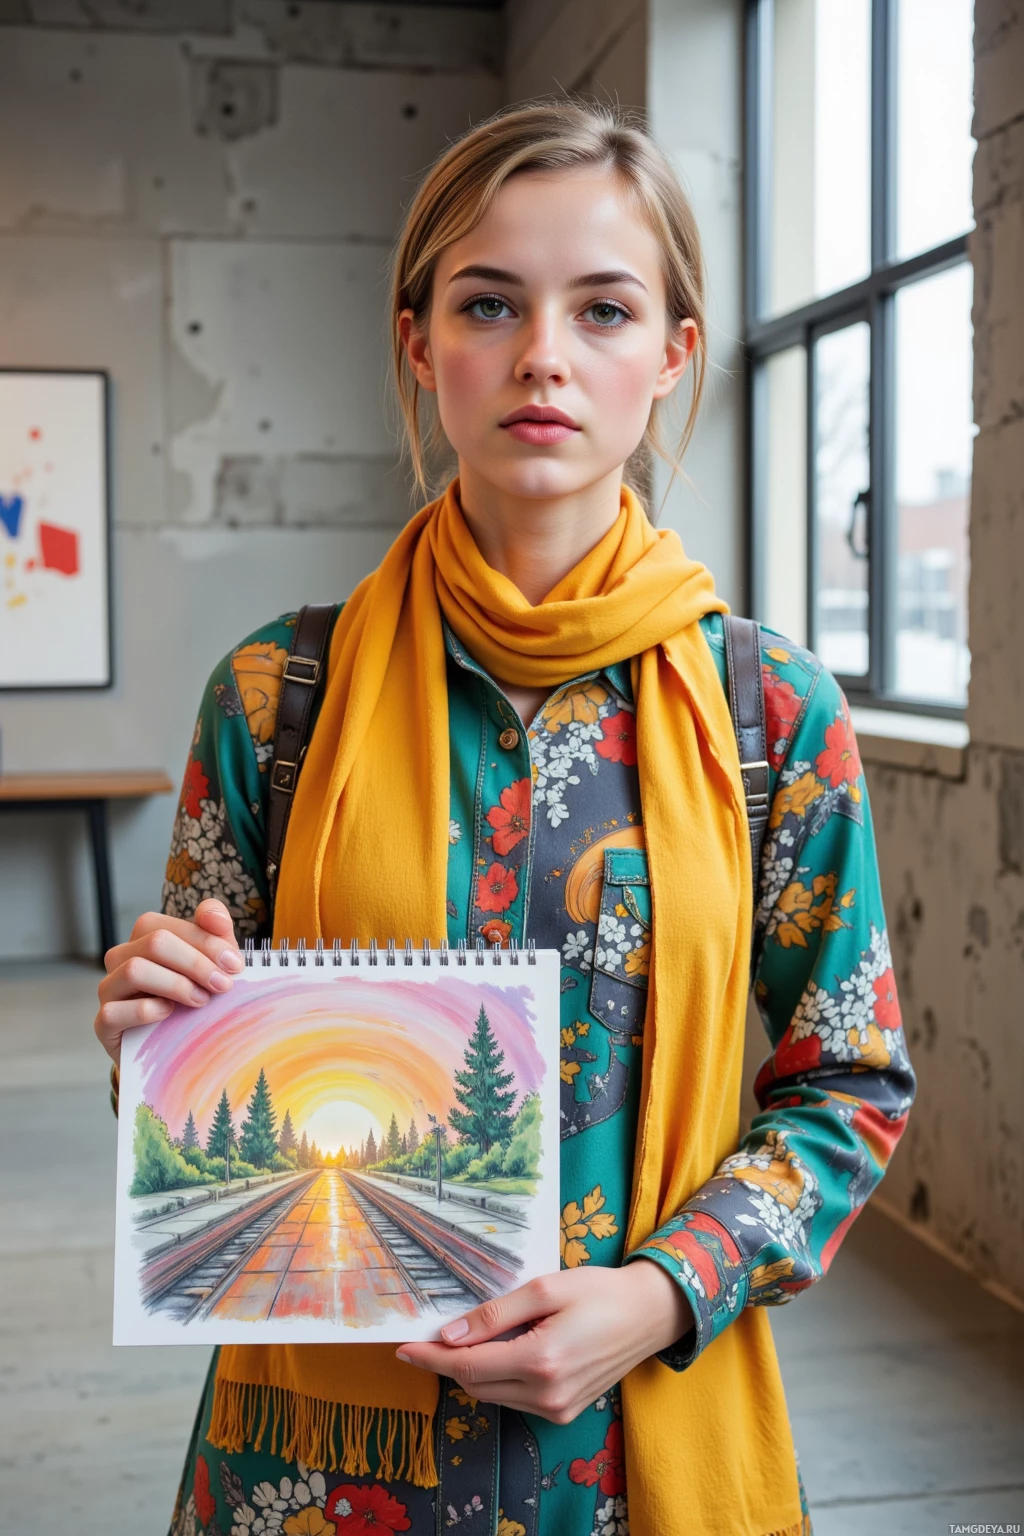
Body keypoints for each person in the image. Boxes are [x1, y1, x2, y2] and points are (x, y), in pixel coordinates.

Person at [95, 97, 916, 1536]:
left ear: (668, 358)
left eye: (603, 309)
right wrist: (151, 1031)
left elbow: (847, 1084)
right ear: (422, 343)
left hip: (642, 1444)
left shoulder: (770, 715)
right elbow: (199, 1111)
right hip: (325, 1470)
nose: (544, 353)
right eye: (490, 302)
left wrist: (662, 1296)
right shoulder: (277, 700)